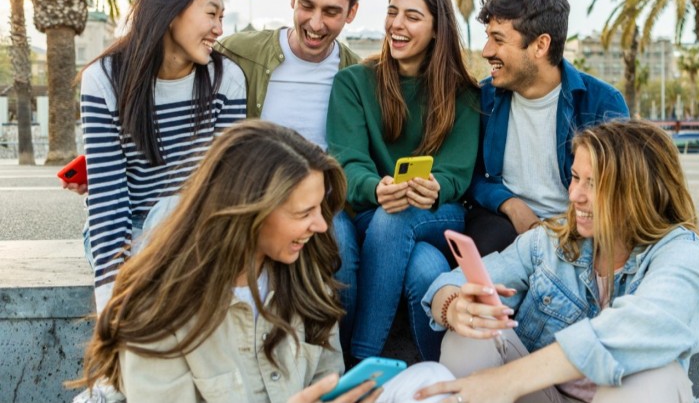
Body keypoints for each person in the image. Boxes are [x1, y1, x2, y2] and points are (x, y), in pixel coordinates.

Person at [72, 121, 455, 403]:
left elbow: (328, 374)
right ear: (248, 212)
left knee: (434, 381)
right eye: (304, 212)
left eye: (320, 209)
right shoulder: (158, 306)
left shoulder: (306, 275)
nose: (322, 226)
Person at [416, 120, 699, 403]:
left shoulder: (681, 251)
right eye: (575, 177)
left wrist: (509, 379)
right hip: (545, 396)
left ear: (639, 193)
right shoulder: (550, 243)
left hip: (621, 395)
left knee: (656, 376)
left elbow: (650, 325)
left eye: (593, 184)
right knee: (471, 333)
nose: (574, 195)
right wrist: (454, 307)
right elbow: (449, 283)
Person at [326, 0, 480, 363]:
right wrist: (377, 187)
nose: (396, 24)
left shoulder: (463, 93)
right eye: (392, 12)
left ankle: (359, 363)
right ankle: (429, 374)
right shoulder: (354, 83)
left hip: (434, 213)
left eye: (412, 16)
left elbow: (457, 172)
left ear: (436, 29)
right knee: (424, 269)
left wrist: (436, 186)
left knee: (400, 216)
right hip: (368, 207)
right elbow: (347, 161)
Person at [79, 0, 247, 313]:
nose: (219, 28)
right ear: (171, 12)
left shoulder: (226, 79)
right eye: (211, 14)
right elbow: (109, 203)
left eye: (222, 17)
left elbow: (227, 189)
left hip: (200, 229)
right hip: (132, 228)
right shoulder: (104, 79)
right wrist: (112, 308)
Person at [465, 0, 629, 257]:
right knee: (488, 238)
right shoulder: (483, 98)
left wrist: (567, 227)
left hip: (581, 228)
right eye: (487, 37)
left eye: (498, 39)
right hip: (502, 225)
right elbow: (472, 174)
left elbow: (621, 189)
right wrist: (511, 204)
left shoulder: (602, 104)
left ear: (540, 45)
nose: (486, 51)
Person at [216, 0, 367, 149]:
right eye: (306, 5)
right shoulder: (234, 52)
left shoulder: (359, 76)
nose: (315, 23)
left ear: (351, 12)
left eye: (330, 12)